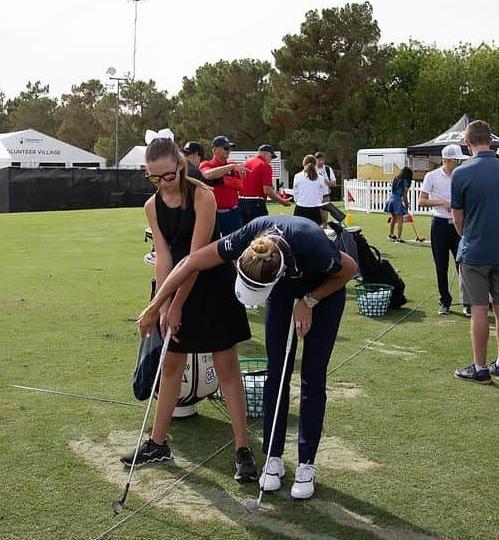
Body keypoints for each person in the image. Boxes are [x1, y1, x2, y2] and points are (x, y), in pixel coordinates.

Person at [138, 215, 357, 501]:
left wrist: (309, 301)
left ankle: (306, 464)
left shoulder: (311, 242)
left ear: (279, 272)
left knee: (312, 376)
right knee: (277, 373)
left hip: (324, 293)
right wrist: (156, 305)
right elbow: (190, 262)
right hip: (283, 294)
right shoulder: (250, 236)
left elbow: (349, 269)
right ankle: (274, 457)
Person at [121, 135, 257, 481]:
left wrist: (175, 304)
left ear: (180, 166)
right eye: (153, 178)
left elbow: (196, 258)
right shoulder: (152, 206)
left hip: (211, 286)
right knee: (170, 365)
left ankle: (242, 449)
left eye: (167, 176)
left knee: (226, 366)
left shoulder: (204, 196)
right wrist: (164, 302)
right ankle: (157, 443)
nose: (162, 183)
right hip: (172, 287)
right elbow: (164, 257)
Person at [451, 120, 499, 384]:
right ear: (490, 140)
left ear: (468, 143)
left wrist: (467, 237)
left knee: (479, 309)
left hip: (475, 249)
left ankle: (480, 367)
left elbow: (458, 219)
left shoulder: (462, 173)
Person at [420, 145, 464, 315]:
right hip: (439, 224)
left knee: (463, 264)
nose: (458, 163)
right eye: (456, 160)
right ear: (446, 160)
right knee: (441, 265)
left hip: (458, 224)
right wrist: (442, 203)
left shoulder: (460, 176)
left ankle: (466, 301)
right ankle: (444, 300)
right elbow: (422, 201)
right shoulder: (432, 176)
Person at [199, 136, 245, 236]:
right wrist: (230, 168)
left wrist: (220, 180)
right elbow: (207, 175)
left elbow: (240, 185)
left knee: (236, 244)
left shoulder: (233, 164)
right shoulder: (207, 164)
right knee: (212, 243)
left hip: (232, 213)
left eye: (229, 148)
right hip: (213, 213)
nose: (228, 151)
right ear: (215, 149)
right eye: (225, 148)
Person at [239, 144, 291, 223]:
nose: (271, 160)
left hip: (241, 202)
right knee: (260, 232)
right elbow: (267, 190)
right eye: (271, 156)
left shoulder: (245, 163)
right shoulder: (265, 166)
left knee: (245, 232)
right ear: (264, 153)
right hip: (256, 203)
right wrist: (282, 201)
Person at [385, 167, 425, 243]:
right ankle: (399, 238)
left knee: (393, 217)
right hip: (397, 200)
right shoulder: (405, 181)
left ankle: (391, 235)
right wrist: (406, 204)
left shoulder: (396, 178)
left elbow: (397, 191)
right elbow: (405, 194)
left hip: (391, 199)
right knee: (400, 219)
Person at [291, 155, 331, 226]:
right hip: (315, 210)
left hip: (300, 209)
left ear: (303, 164)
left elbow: (295, 193)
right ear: (315, 164)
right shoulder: (321, 178)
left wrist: (300, 201)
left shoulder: (297, 176)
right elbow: (322, 194)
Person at [314, 152, 347, 224]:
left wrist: (326, 181)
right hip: (314, 197)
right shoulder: (312, 169)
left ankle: (324, 233)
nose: (321, 162)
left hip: (325, 197)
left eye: (322, 160)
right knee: (315, 219)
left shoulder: (328, 169)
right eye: (319, 160)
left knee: (324, 219)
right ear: (315, 160)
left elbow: (334, 184)